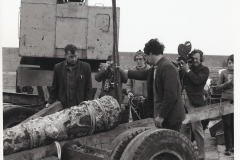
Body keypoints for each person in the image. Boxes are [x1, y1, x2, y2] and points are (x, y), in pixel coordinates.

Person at [118, 38, 185, 132]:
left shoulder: (167, 67)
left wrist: (161, 115)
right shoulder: (156, 67)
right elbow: (142, 74)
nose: (146, 59)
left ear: (151, 53)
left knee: (169, 144)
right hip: (164, 117)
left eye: (146, 56)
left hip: (170, 119)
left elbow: (170, 95)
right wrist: (124, 72)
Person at [179, 49, 209, 160]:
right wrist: (181, 68)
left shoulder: (204, 70)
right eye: (193, 58)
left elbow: (198, 81)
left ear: (201, 59)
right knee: (184, 128)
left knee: (197, 128)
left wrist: (187, 70)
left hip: (195, 103)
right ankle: (187, 152)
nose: (195, 61)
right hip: (184, 101)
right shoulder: (189, 68)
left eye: (197, 58)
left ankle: (201, 155)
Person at [216, 54, 234, 156]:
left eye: (233, 62)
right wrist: (227, 83)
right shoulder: (223, 73)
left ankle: (234, 146)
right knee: (227, 124)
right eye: (229, 62)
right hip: (226, 101)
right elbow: (218, 87)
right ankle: (228, 148)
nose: (231, 65)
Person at [126, 50, 151, 121]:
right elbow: (129, 84)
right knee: (136, 122)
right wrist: (129, 92)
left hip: (147, 101)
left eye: (140, 59)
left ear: (145, 59)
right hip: (135, 101)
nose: (138, 61)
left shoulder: (149, 70)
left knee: (147, 121)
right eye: (136, 59)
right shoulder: (132, 70)